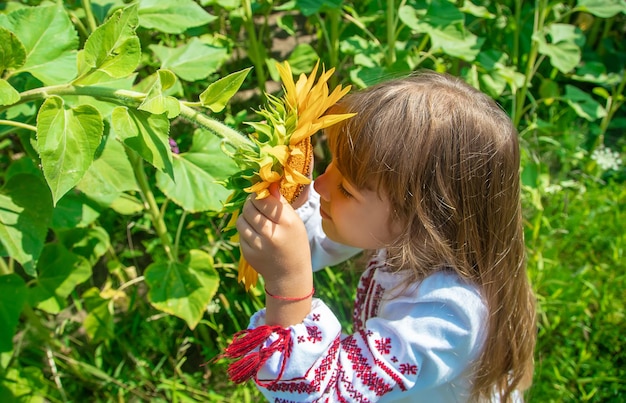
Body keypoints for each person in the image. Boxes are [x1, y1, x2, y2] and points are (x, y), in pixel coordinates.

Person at [225, 71, 537, 402]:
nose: (319, 186)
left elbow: (323, 394)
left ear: (420, 221)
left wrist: (288, 283)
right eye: (331, 166)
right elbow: (311, 241)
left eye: (345, 188)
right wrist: (290, 196)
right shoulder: (406, 238)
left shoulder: (447, 316)